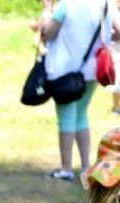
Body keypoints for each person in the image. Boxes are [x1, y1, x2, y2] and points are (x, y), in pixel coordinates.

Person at [39, 0, 120, 181]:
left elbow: (48, 33)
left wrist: (47, 10)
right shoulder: (106, 4)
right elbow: (119, 32)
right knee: (81, 115)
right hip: (93, 70)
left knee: (67, 118)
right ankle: (85, 165)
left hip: (65, 71)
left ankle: (66, 169)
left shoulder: (66, 5)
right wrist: (104, 37)